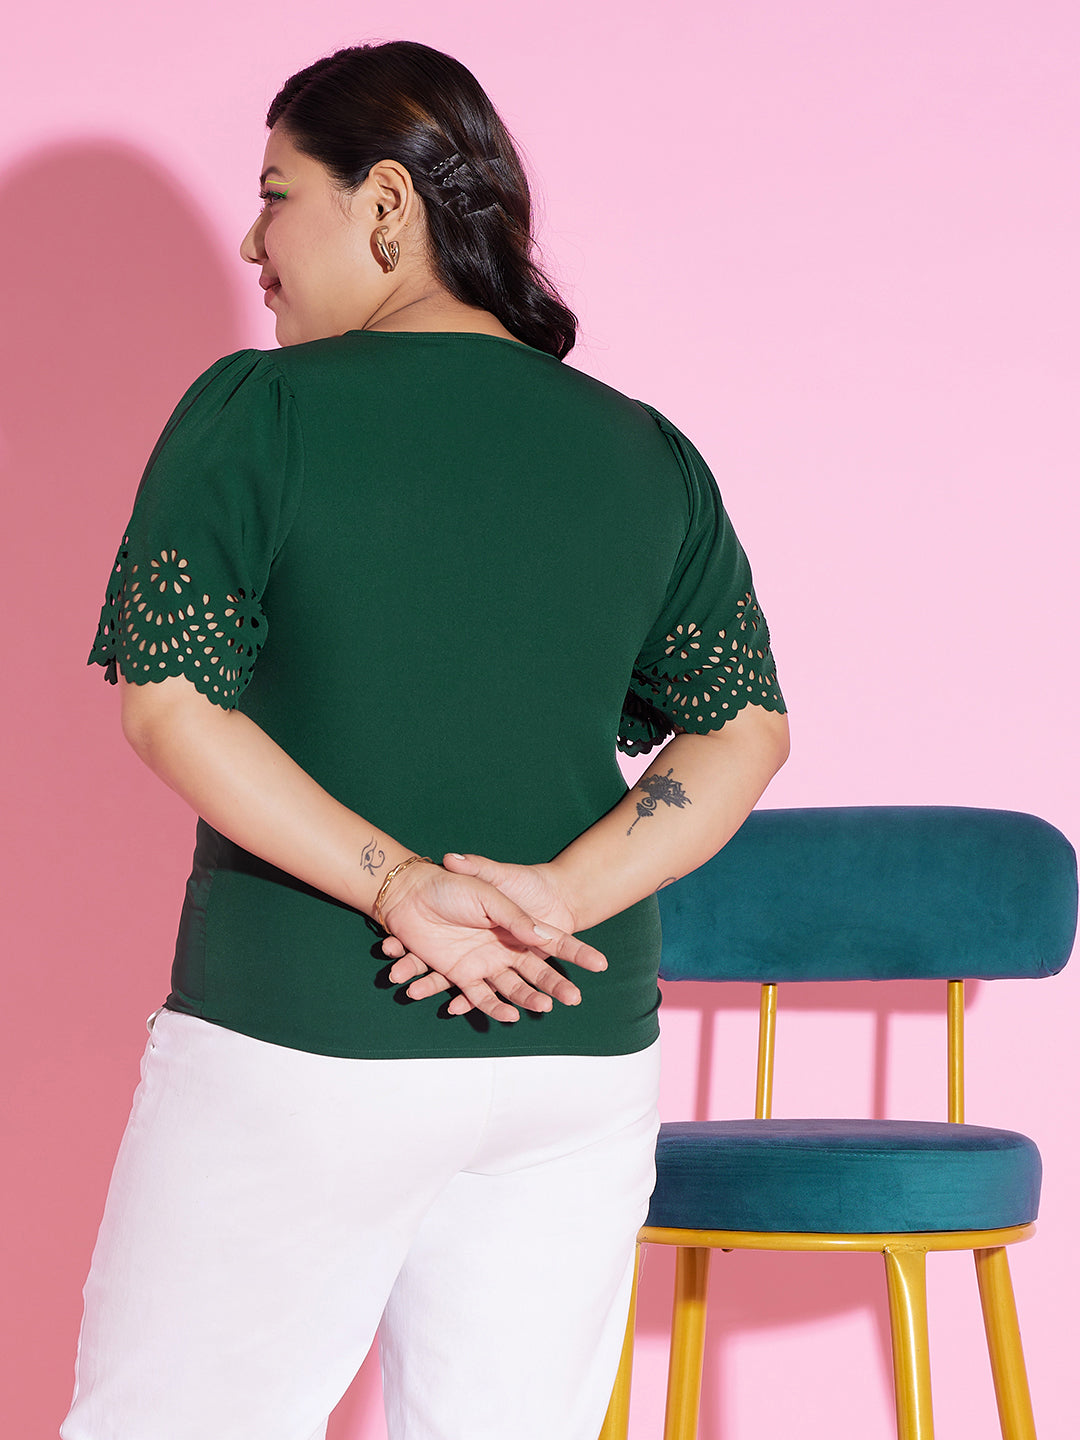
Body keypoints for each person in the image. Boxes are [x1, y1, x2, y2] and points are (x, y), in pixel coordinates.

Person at [62, 38, 789, 1440]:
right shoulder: (644, 450)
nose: (253, 242)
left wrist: (404, 888)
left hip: (305, 1039)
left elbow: (171, 701)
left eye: (277, 194)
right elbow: (744, 731)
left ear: (384, 204)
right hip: (574, 1054)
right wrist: (550, 902)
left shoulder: (261, 411)